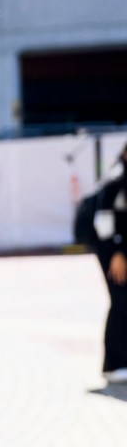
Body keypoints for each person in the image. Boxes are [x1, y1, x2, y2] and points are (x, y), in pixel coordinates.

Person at [96, 144, 127, 383]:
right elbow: (103, 223)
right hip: (114, 255)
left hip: (120, 252)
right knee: (120, 302)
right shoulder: (116, 180)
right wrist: (116, 253)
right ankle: (112, 364)